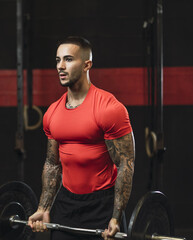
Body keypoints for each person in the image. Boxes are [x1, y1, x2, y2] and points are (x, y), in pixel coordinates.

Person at [28, 36, 135, 240]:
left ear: (87, 64)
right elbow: (52, 164)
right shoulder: (52, 112)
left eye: (68, 59)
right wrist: (43, 207)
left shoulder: (109, 109)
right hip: (66, 204)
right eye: (58, 60)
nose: (60, 66)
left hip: (102, 205)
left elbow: (125, 164)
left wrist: (115, 217)